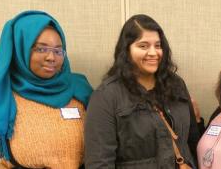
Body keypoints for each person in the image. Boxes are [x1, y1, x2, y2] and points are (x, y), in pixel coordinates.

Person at [0, 10, 93, 168]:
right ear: (19, 48)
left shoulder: (81, 90)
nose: (51, 57)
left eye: (58, 51)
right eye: (41, 49)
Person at [84, 14, 201, 168]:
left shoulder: (176, 84)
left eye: (158, 45)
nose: (153, 53)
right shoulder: (106, 96)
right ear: (126, 50)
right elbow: (99, 163)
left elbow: (192, 141)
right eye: (143, 46)